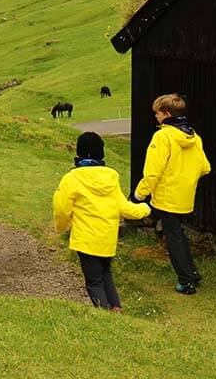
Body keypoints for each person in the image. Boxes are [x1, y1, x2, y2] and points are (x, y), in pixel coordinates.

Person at [54, 131, 151, 310]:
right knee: (106, 274)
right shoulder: (111, 177)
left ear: (79, 152)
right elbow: (124, 207)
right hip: (107, 237)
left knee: (93, 281)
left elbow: (61, 208)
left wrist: (61, 227)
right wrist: (145, 208)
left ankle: (105, 313)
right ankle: (116, 308)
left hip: (85, 239)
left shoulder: (72, 178)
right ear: (101, 153)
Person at [134, 92, 211, 294]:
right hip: (185, 195)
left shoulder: (162, 137)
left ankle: (186, 281)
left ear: (167, 114)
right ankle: (192, 272)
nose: (155, 117)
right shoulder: (194, 136)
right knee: (178, 233)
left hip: (167, 196)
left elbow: (152, 171)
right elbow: (205, 167)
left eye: (157, 113)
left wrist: (139, 195)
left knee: (173, 236)